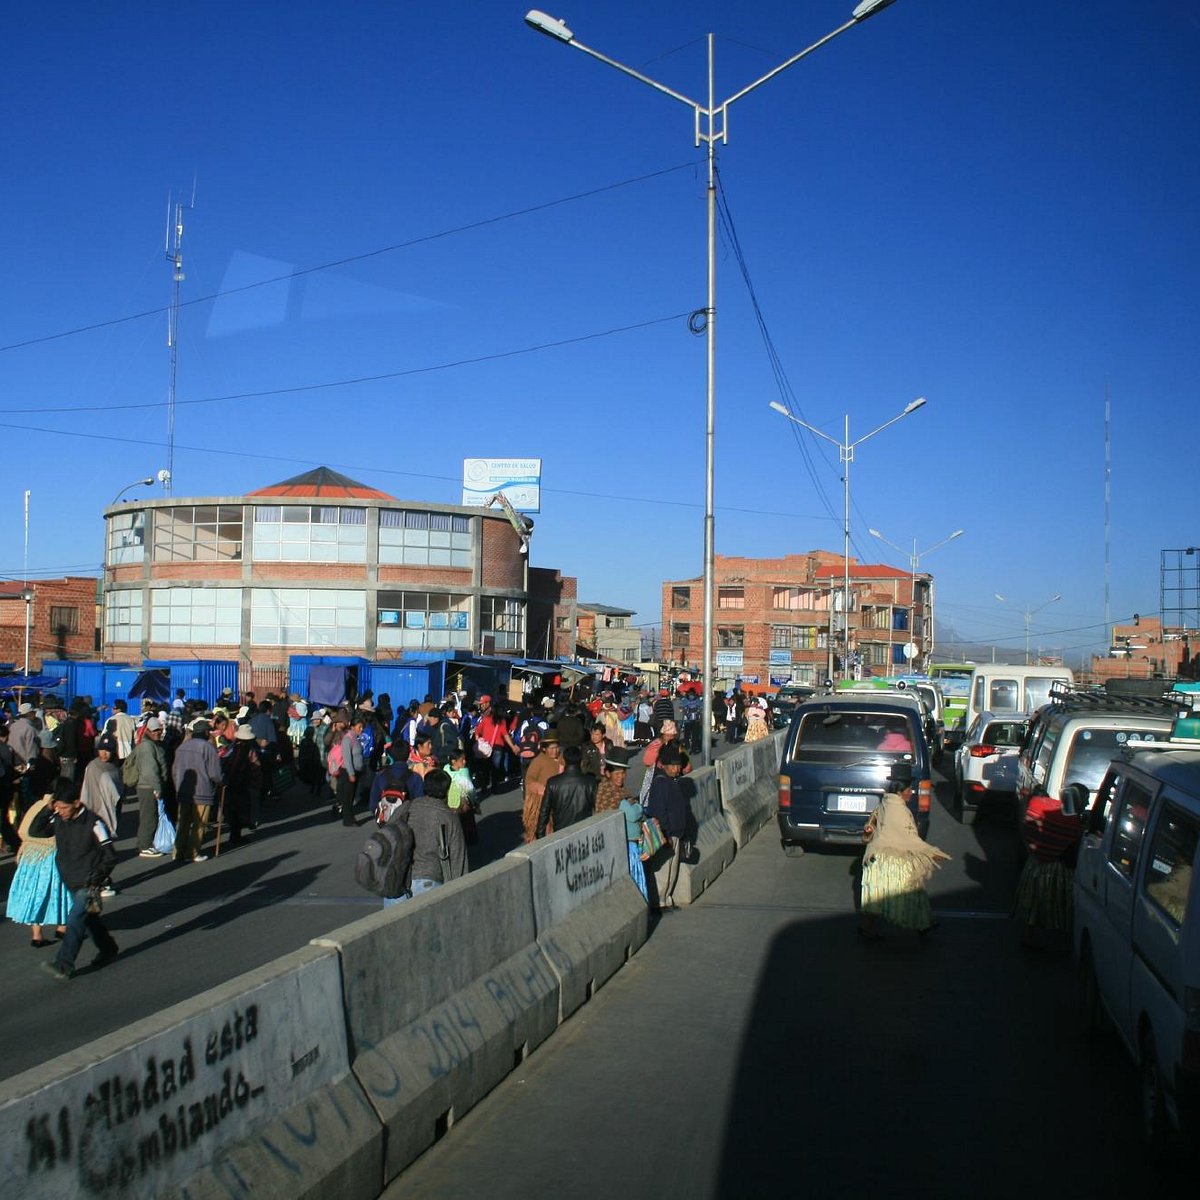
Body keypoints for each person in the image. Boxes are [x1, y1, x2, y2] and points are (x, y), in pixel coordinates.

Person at [32, 778, 119, 981]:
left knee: (75, 919)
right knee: (89, 919)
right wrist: (48, 809)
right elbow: (35, 830)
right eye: (58, 807)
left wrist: (97, 876)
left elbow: (110, 855)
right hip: (70, 878)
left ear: (76, 803)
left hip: (89, 883)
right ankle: (108, 948)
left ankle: (64, 964)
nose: (60, 811)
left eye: (63, 807)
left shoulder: (94, 823)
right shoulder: (58, 820)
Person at [859, 763, 950, 940]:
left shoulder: (885, 804)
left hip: (876, 858)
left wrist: (869, 831)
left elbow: (871, 824)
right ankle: (922, 925)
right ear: (901, 791)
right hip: (890, 860)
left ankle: (867, 929)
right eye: (910, 789)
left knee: (876, 898)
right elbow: (910, 838)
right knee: (911, 890)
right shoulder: (899, 809)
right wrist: (931, 852)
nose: (912, 793)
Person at [1013, 791, 1084, 946]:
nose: (1086, 804)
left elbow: (1027, 831)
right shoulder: (1074, 822)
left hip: (1035, 865)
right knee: (1059, 904)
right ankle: (1060, 939)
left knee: (1032, 902)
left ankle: (1027, 935)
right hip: (1058, 870)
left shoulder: (1044, 812)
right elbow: (1073, 847)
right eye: (1084, 800)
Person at [7, 795, 70, 947]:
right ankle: (63, 927)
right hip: (49, 856)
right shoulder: (57, 810)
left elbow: (25, 830)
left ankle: (37, 935)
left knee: (34, 895)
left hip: (30, 856)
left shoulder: (36, 805)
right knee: (59, 892)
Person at [405, 768, 468, 896]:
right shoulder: (448, 817)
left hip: (402, 877)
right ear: (446, 791)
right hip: (429, 880)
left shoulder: (408, 807)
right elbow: (458, 857)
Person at [645, 743, 689, 911]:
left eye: (678, 765)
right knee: (663, 870)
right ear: (666, 766)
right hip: (667, 834)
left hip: (676, 833)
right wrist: (666, 833)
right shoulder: (661, 783)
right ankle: (659, 901)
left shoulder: (672, 781)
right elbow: (658, 811)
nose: (676, 769)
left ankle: (667, 898)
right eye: (673, 766)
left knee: (672, 868)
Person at [173, 720, 225, 862]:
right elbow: (214, 773)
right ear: (206, 732)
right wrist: (221, 781)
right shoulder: (208, 748)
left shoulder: (182, 747)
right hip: (202, 791)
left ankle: (177, 852)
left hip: (183, 790)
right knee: (199, 823)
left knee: (183, 822)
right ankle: (192, 853)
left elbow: (175, 770)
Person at [536, 744, 597, 838]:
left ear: (564, 761)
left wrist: (540, 835)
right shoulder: (590, 781)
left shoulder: (552, 782)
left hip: (561, 833)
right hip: (585, 831)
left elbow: (544, 811)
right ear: (581, 762)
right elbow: (598, 808)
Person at [133, 716, 168, 857]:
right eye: (154, 731)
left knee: (149, 815)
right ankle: (145, 845)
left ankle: (146, 843)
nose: (157, 733)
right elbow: (150, 771)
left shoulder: (151, 744)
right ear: (147, 730)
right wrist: (158, 788)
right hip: (148, 786)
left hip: (148, 785)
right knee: (149, 816)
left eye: (159, 730)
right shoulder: (148, 747)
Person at [223, 724, 262, 848]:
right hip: (243, 783)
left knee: (232, 810)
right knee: (241, 809)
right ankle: (236, 836)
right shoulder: (250, 750)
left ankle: (233, 835)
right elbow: (256, 766)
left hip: (230, 782)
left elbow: (223, 760)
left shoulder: (231, 747)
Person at [522, 731, 563, 842]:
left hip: (558, 800)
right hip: (542, 801)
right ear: (544, 748)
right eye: (552, 748)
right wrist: (543, 790)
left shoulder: (561, 759)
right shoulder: (538, 761)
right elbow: (529, 780)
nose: (555, 751)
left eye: (557, 747)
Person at [337, 714, 366, 826]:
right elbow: (347, 758)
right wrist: (351, 773)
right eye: (359, 727)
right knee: (348, 797)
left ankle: (348, 817)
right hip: (349, 772)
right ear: (353, 727)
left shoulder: (355, 738)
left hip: (355, 771)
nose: (361, 729)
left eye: (362, 727)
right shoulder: (347, 739)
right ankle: (348, 819)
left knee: (351, 796)